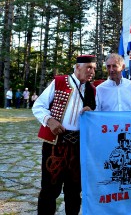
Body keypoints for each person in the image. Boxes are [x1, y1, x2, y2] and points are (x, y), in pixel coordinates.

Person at [32, 55, 97, 215]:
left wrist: (93, 112)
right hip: (55, 144)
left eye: (94, 68)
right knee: (49, 188)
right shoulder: (59, 82)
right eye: (89, 67)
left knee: (74, 189)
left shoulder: (92, 89)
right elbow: (38, 106)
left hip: (78, 146)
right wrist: (50, 120)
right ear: (77, 68)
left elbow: (98, 116)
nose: (92, 71)